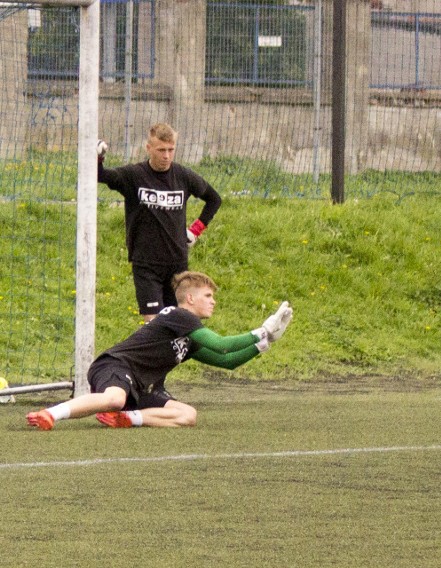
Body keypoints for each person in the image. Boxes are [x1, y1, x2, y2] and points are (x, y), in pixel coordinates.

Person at [26, 271, 292, 430]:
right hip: (115, 366)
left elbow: (228, 360)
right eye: (208, 296)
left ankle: (128, 419)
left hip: (140, 388)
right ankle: (50, 414)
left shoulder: (189, 333)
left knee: (188, 415)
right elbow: (222, 345)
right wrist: (261, 329)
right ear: (190, 298)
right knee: (115, 397)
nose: (214, 302)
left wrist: (264, 344)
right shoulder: (179, 315)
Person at [98, 123, 223, 323]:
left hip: (177, 264)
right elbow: (99, 175)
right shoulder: (134, 176)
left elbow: (214, 199)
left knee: (177, 325)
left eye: (171, 150)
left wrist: (195, 231)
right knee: (153, 325)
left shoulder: (183, 176)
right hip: (146, 264)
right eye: (161, 150)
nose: (166, 156)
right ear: (149, 148)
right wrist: (98, 157)